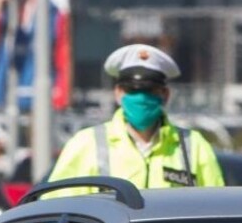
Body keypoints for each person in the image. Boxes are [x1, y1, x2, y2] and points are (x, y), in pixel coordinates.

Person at [44, 44, 225, 195]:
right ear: (118, 93)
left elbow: (218, 210)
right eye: (132, 90)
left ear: (165, 94)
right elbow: (57, 208)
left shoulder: (194, 146)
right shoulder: (86, 145)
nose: (141, 97)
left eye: (149, 90)